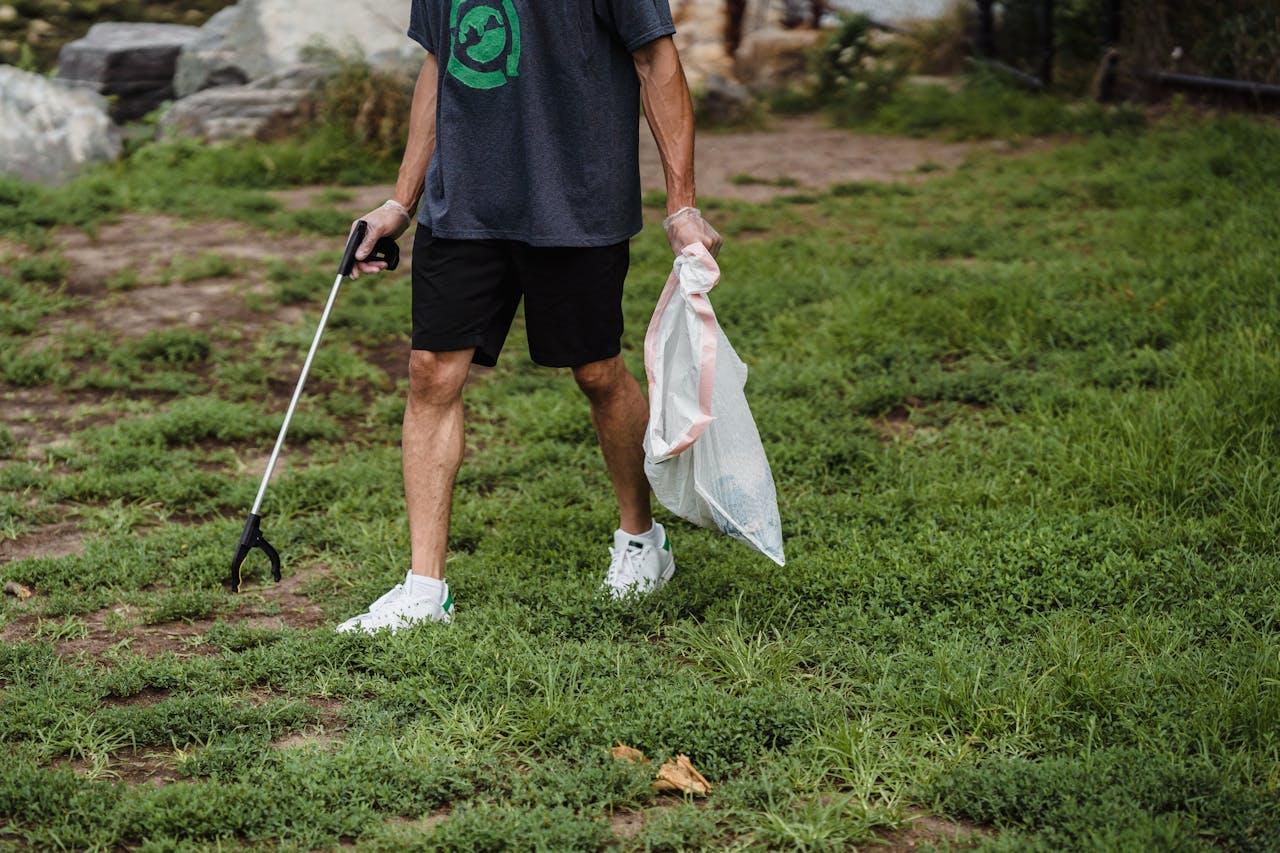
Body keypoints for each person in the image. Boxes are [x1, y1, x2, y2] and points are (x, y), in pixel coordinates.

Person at [336, 0, 722, 634]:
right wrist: (400, 202)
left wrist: (682, 206)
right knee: (431, 370)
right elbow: (440, 63)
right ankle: (425, 588)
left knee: (598, 371)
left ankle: (641, 540)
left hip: (578, 197)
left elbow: (656, 57)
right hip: (462, 203)